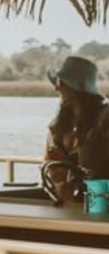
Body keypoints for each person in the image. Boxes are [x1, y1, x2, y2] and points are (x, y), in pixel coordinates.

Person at [45, 56, 109, 202]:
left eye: (61, 82)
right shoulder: (58, 126)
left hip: (100, 199)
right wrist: (57, 179)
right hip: (70, 202)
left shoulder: (103, 121)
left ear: (76, 87)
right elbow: (49, 163)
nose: (56, 87)